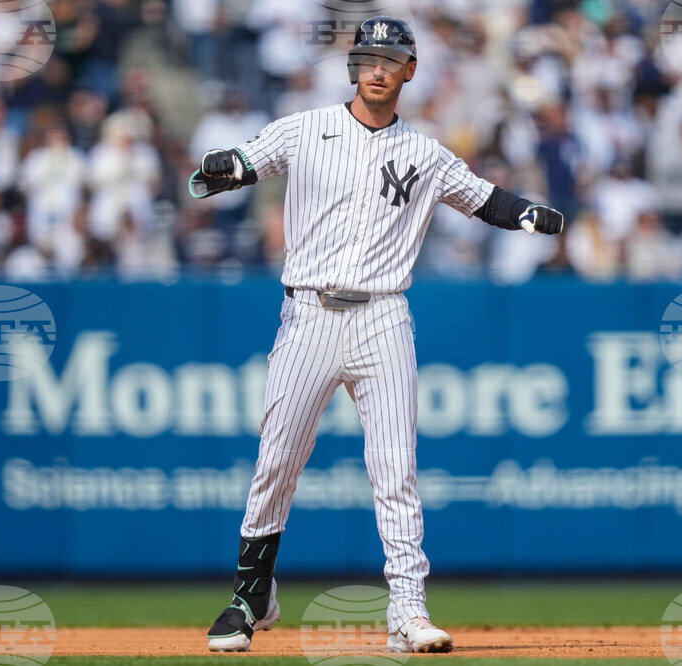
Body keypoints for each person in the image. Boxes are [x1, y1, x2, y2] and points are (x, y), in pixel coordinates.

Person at [194, 16, 564, 654]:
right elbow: (249, 159)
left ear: (409, 70)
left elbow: (481, 198)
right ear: (352, 64)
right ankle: (250, 595)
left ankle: (409, 611)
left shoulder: (424, 152)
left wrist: (527, 213)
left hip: (383, 317)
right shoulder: (307, 128)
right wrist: (228, 165)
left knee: (395, 469)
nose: (377, 66)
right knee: (277, 460)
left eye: (390, 57)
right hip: (308, 312)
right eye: (367, 54)